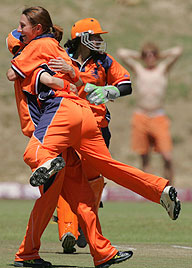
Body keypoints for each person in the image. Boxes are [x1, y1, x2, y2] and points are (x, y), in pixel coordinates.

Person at [7, 7, 181, 268]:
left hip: (60, 118)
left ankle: (45, 169)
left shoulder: (34, 49)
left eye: (23, 27)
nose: (20, 31)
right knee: (86, 192)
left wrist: (29, 59)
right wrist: (68, 77)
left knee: (36, 158)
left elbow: (16, 73)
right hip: (84, 116)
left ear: (35, 32)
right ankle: (104, 247)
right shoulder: (57, 52)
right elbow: (68, 81)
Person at [48, 17, 132, 253]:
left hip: (97, 127)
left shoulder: (104, 61)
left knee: (94, 179)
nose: (99, 40)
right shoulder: (63, 58)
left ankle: (85, 224)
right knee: (65, 176)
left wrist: (109, 90)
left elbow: (127, 84)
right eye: (94, 36)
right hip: (68, 123)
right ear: (81, 38)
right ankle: (67, 228)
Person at [117, 43, 183, 185]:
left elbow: (177, 51)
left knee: (167, 156)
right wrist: (140, 55)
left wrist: (160, 55)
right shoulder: (140, 70)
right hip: (141, 115)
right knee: (144, 156)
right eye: (147, 54)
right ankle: (150, 190)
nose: (150, 57)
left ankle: (169, 188)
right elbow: (122, 52)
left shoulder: (162, 69)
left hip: (158, 116)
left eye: (152, 54)